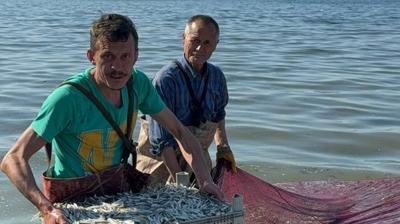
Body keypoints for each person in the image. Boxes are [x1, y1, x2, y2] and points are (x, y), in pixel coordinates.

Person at [0, 13, 223, 224]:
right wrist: (47, 208)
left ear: (136, 55)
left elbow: (180, 132)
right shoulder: (67, 99)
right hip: (69, 200)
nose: (118, 67)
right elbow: (13, 159)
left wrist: (205, 181)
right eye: (107, 57)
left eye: (125, 56)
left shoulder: (138, 84)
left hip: (116, 193)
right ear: (91, 57)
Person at [136, 15, 236, 185]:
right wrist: (179, 182)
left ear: (215, 46)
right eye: (195, 40)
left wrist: (223, 147)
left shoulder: (217, 77)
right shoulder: (165, 80)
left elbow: (219, 114)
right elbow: (162, 142)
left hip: (198, 160)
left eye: (207, 43)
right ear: (183, 39)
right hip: (161, 162)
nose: (199, 48)